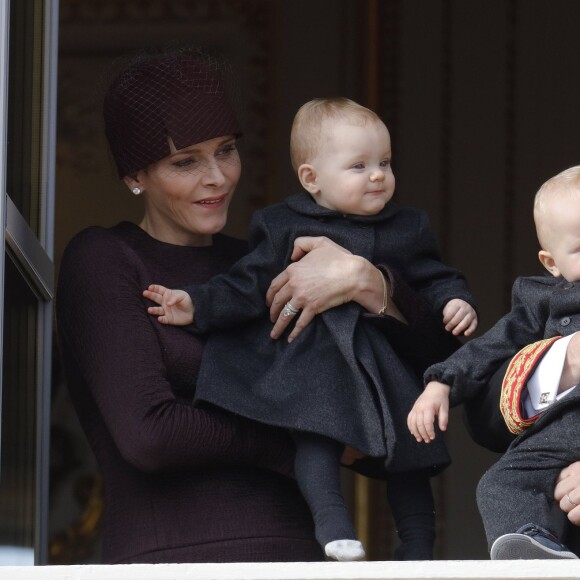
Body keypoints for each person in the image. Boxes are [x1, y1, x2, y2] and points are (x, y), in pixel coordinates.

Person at [55, 49, 460, 564]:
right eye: (187, 161)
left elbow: (418, 379)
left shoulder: (263, 265)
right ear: (137, 174)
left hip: (304, 558)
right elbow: (150, 436)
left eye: (226, 151)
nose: (218, 178)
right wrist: (313, 430)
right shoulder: (106, 258)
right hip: (173, 562)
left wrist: (367, 281)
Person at [144, 97, 478, 561]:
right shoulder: (281, 224)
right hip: (312, 361)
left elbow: (435, 276)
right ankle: (332, 525)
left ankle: (419, 545)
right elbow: (249, 282)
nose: (378, 175)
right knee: (314, 439)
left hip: (380, 364)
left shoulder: (408, 226)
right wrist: (196, 305)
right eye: (358, 166)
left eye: (384, 162)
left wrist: (455, 300)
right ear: (311, 179)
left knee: (411, 451)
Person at [408, 165, 580, 560]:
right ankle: (532, 545)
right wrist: (442, 383)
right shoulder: (541, 298)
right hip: (555, 434)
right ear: (551, 263)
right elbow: (492, 346)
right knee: (501, 483)